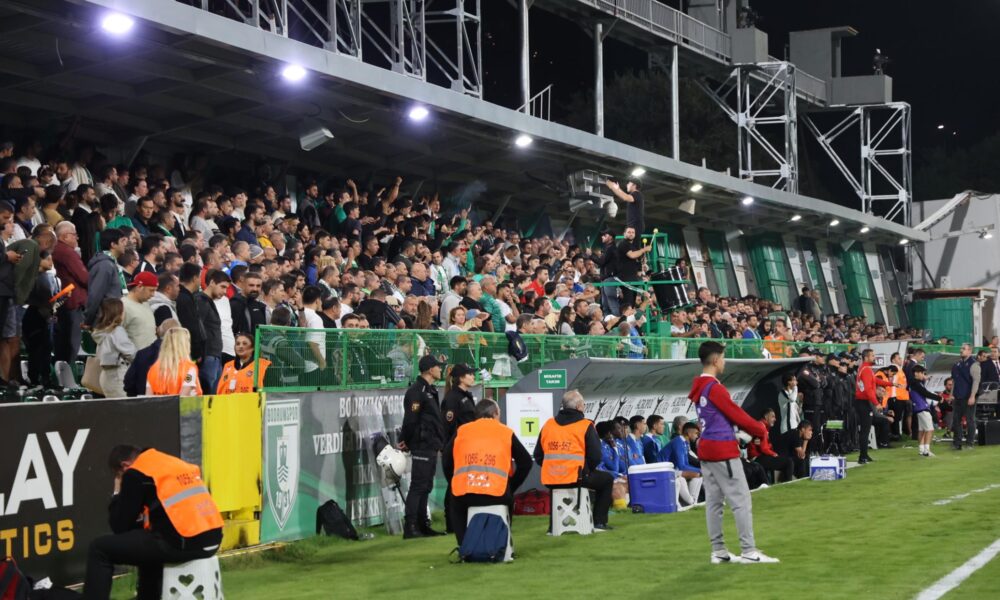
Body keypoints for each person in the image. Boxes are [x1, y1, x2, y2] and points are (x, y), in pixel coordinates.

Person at [83, 444, 223, 600]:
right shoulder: (172, 463)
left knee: (99, 549)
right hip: (213, 539)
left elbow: (119, 525)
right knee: (148, 542)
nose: (120, 478)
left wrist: (117, 492)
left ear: (125, 466)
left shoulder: (135, 473)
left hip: (184, 542)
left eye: (118, 475)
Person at [689, 341, 776, 564]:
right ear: (715, 360)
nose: (724, 362)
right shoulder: (715, 388)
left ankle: (718, 550)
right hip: (722, 449)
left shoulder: (700, 386)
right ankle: (749, 551)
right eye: (723, 358)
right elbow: (736, 414)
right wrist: (759, 429)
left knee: (714, 502)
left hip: (706, 448)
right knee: (741, 500)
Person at [442, 399, 532, 545]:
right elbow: (526, 462)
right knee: (507, 500)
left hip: (465, 494)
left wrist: (454, 482)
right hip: (496, 494)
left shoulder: (462, 431)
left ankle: (464, 546)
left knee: (456, 505)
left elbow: (446, 461)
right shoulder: (505, 432)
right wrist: (510, 486)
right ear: (495, 414)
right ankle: (503, 545)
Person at [534, 390, 614, 531]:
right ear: (578, 407)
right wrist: (586, 470)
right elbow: (595, 456)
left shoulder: (548, 425)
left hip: (552, 478)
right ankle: (599, 522)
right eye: (583, 404)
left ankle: (554, 526)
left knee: (558, 488)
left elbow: (538, 455)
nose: (584, 407)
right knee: (607, 479)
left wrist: (553, 468)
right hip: (577, 477)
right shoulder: (585, 425)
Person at [400, 354, 448, 539]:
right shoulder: (417, 391)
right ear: (429, 369)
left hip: (430, 443)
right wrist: (405, 439)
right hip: (421, 443)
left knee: (426, 485)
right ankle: (411, 526)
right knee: (418, 485)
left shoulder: (428, 389)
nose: (440, 369)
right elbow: (410, 420)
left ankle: (422, 524)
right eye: (438, 366)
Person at [91, 298, 136, 399]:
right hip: (119, 375)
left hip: (106, 376)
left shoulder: (100, 331)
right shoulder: (117, 331)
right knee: (125, 407)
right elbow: (131, 353)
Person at [84, 228, 128, 327]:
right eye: (122, 241)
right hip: (105, 321)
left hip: (113, 319)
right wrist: (88, 320)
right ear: (113, 244)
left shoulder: (112, 264)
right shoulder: (104, 265)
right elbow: (95, 295)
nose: (125, 244)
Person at [123, 319, 177, 397]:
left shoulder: (142, 354)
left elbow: (128, 382)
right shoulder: (181, 357)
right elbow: (188, 383)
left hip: (143, 401)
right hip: (173, 401)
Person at [196, 269, 229, 393]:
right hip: (207, 356)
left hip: (214, 356)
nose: (225, 292)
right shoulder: (201, 301)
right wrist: (200, 354)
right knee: (208, 395)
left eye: (226, 288)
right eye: (222, 287)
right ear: (212, 282)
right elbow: (197, 328)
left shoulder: (208, 301)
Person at [854, 348, 889, 464]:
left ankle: (864, 455)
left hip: (862, 402)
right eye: (872, 356)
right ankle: (862, 457)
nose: (874, 357)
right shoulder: (866, 370)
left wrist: (891, 384)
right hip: (864, 402)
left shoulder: (864, 368)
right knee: (865, 430)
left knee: (866, 430)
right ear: (866, 357)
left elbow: (876, 381)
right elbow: (868, 390)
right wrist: (876, 403)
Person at [146, 327, 203, 396]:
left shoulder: (153, 369)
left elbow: (148, 398)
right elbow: (183, 397)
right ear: (184, 345)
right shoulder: (190, 369)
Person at [748, 408, 794, 483]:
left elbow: (761, 445)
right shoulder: (761, 427)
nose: (775, 419)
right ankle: (788, 486)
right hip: (757, 458)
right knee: (788, 462)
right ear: (766, 417)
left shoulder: (762, 426)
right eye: (772, 416)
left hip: (760, 457)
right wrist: (774, 454)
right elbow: (763, 448)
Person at [668, 422, 704, 507]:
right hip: (665, 471)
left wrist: (700, 470)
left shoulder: (684, 443)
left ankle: (693, 501)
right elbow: (681, 466)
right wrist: (700, 470)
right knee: (695, 475)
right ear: (689, 433)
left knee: (699, 475)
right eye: (696, 433)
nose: (697, 436)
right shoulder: (678, 442)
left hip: (674, 470)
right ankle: (691, 502)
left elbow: (686, 464)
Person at [121, 271, 159, 352]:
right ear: (140, 287)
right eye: (151, 290)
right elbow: (114, 336)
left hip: (151, 356)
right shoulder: (123, 306)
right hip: (134, 357)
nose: (153, 294)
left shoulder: (146, 303)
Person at [909, 365, 941, 457]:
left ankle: (921, 450)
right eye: (922, 373)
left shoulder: (915, 383)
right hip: (922, 407)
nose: (923, 375)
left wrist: (924, 379)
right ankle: (927, 451)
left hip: (919, 408)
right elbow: (926, 393)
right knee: (930, 429)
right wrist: (939, 398)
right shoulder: (916, 383)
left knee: (922, 430)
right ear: (916, 373)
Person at [950, 343, 977, 450]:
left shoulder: (974, 364)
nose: (961, 350)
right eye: (961, 348)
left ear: (970, 351)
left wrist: (972, 396)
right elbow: (954, 381)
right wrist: (951, 394)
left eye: (964, 349)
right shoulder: (956, 364)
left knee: (970, 420)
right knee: (956, 420)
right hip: (957, 397)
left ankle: (970, 443)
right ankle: (957, 443)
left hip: (968, 396)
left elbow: (976, 381)